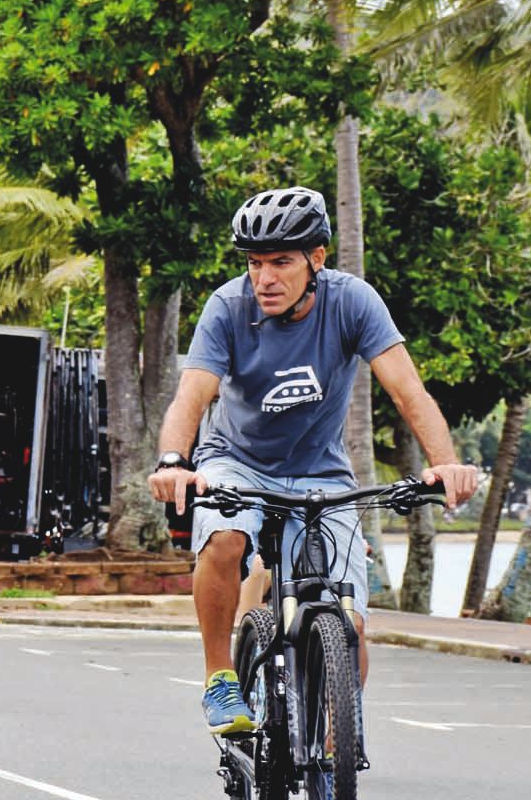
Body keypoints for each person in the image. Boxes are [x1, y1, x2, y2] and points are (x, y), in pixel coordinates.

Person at [148, 187, 480, 736]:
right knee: (225, 538)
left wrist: (445, 464)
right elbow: (191, 396)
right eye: (255, 264)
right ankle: (219, 679)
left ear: (316, 260)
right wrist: (172, 462)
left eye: (281, 262)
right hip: (234, 461)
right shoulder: (228, 308)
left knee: (347, 623)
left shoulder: (353, 302)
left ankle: (333, 746)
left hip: (321, 474)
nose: (265, 279)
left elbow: (408, 391)